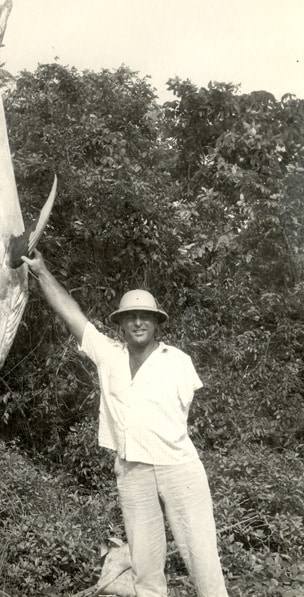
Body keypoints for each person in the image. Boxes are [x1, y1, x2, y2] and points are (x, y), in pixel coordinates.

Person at [22, 250, 228, 597]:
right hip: (133, 472)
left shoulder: (177, 361)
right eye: (130, 317)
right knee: (145, 572)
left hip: (179, 469)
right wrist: (41, 272)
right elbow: (71, 314)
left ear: (157, 321)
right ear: (120, 322)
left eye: (145, 317)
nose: (138, 323)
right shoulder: (109, 356)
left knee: (203, 562)